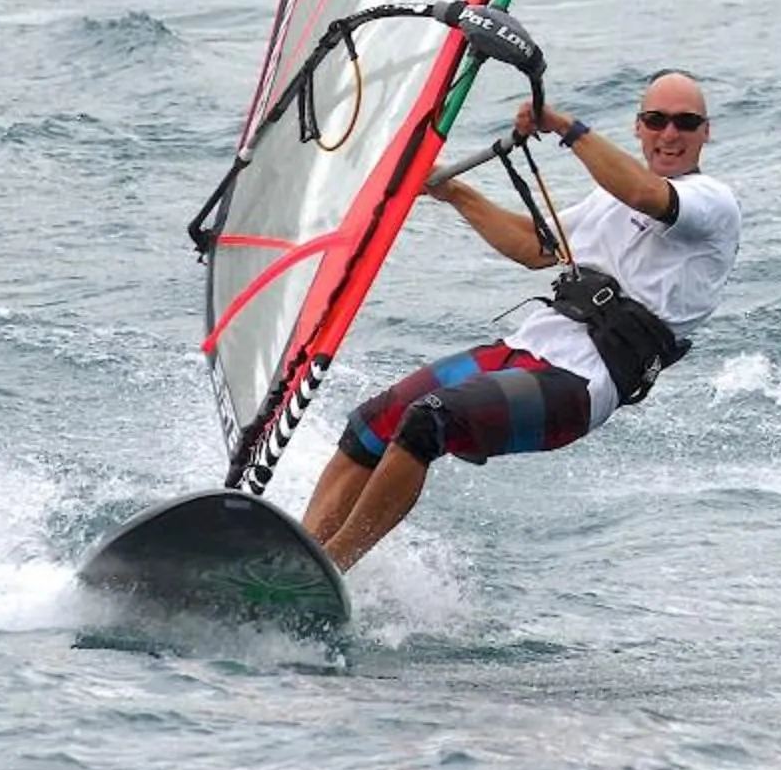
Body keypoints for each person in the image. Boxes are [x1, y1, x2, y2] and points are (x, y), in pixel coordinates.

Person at [299, 70, 740, 571]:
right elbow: (532, 247)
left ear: (707, 131)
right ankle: (300, 552)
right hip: (526, 350)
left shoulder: (713, 202)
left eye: (685, 123)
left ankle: (329, 570)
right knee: (372, 423)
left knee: (429, 420)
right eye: (656, 120)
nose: (670, 134)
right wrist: (452, 191)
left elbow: (645, 195)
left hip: (579, 385)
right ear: (638, 127)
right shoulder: (605, 200)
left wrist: (562, 126)